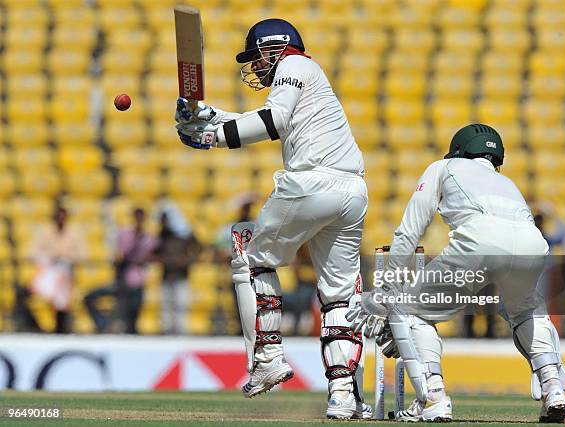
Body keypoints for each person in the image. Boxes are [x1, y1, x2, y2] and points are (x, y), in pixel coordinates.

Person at [174, 19, 370, 419]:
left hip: (310, 184)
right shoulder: (306, 77)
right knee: (338, 295)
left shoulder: (294, 66)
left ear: (275, 47)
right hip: (351, 192)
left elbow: (272, 121)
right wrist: (207, 116)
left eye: (256, 56)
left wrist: (210, 138)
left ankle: (267, 357)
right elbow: (267, 118)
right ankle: (343, 396)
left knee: (247, 251)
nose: (255, 66)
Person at [348, 124, 565, 423]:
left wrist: (388, 290)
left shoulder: (443, 166)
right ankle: (553, 387)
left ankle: (432, 397)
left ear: (459, 148)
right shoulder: (506, 183)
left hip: (480, 243)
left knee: (412, 312)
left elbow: (410, 231)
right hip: (532, 245)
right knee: (526, 310)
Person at [84, 208, 158, 334]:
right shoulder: (125, 234)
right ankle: (103, 324)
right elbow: (122, 255)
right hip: (121, 281)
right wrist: (136, 240)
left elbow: (152, 257)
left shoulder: (150, 239)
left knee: (132, 316)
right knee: (90, 298)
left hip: (137, 283)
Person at [27, 204, 86, 333]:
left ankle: (60, 329)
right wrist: (50, 258)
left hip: (66, 273)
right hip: (48, 272)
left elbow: (81, 255)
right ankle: (40, 327)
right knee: (31, 295)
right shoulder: (45, 232)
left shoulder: (74, 234)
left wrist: (65, 257)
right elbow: (33, 253)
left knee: (61, 298)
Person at [154, 210, 201, 334]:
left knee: (181, 304)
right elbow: (155, 251)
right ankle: (167, 330)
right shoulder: (162, 234)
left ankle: (181, 331)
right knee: (166, 305)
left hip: (181, 275)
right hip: (167, 274)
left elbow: (199, 248)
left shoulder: (185, 234)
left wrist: (187, 260)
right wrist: (162, 260)